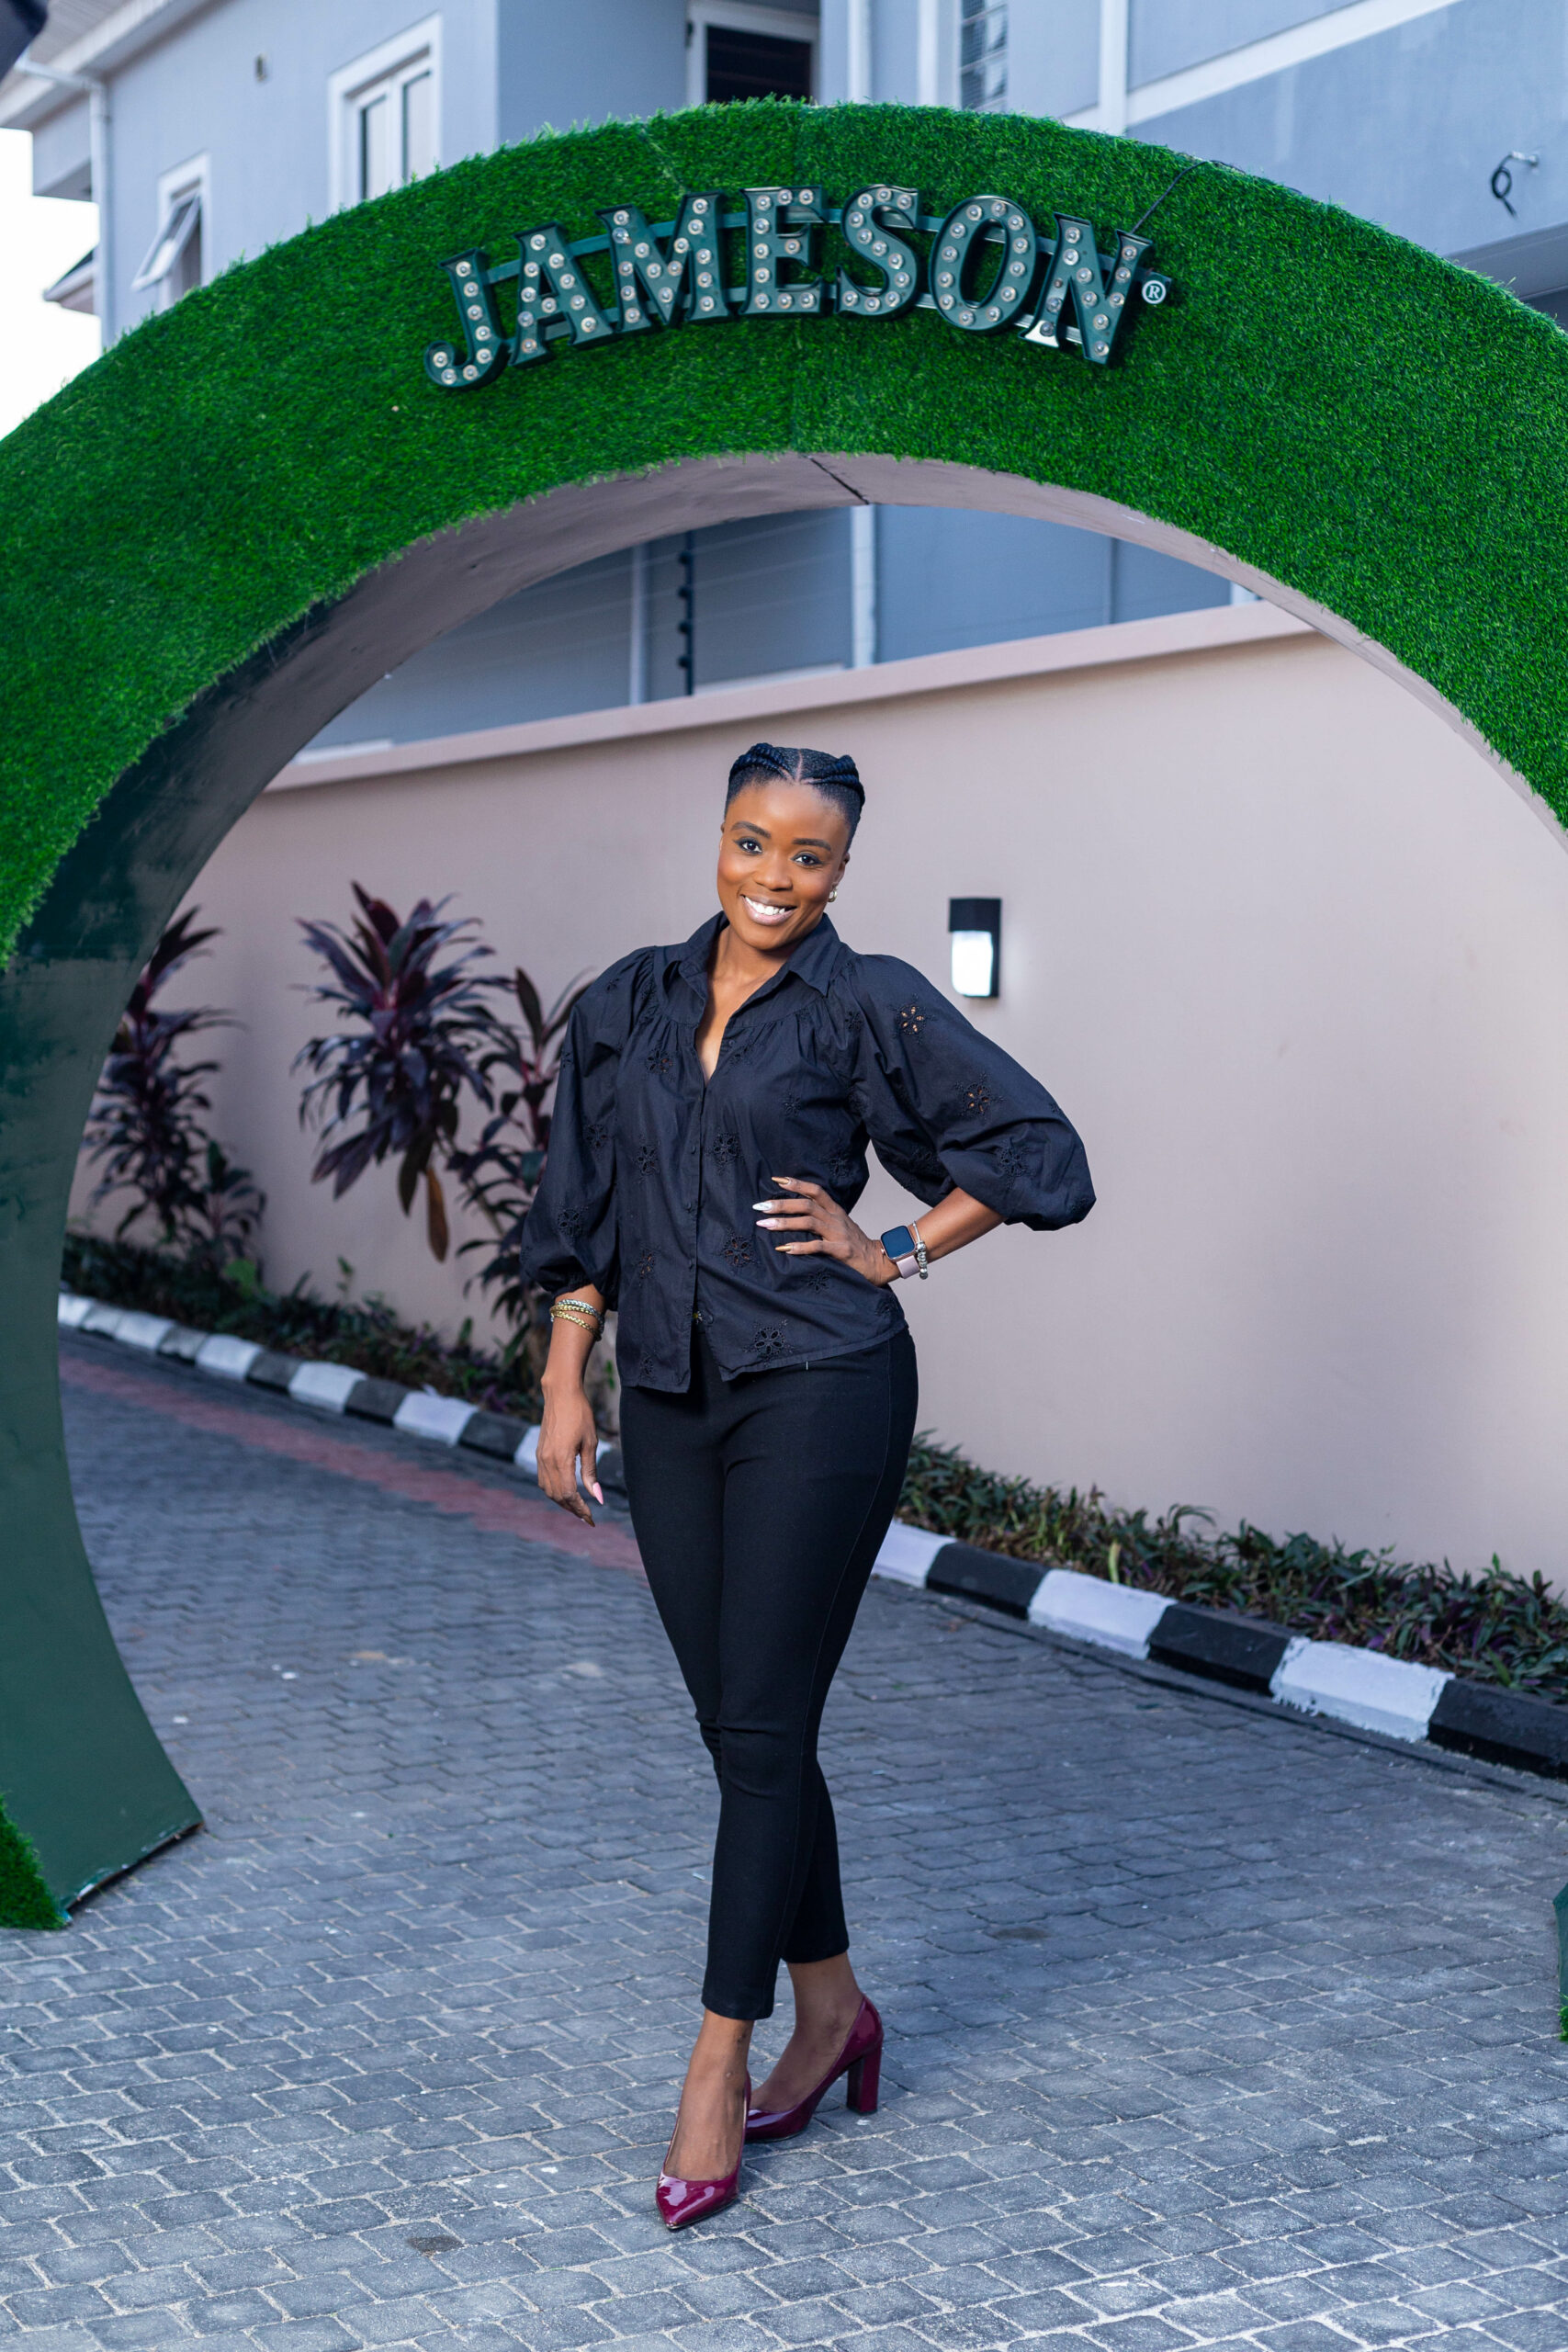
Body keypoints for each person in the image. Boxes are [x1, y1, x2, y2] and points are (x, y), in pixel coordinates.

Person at [518, 741, 1094, 2228]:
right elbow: (582, 1208)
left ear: (843, 868)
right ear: (718, 838)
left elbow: (1041, 1155)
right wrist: (566, 1378)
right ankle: (835, 2010)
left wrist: (893, 1247)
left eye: (809, 855)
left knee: (764, 1728)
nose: (774, 877)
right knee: (742, 1728)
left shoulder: (863, 1001)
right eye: (752, 842)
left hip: (823, 1383)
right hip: (670, 1394)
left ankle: (719, 2060)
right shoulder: (629, 1001)